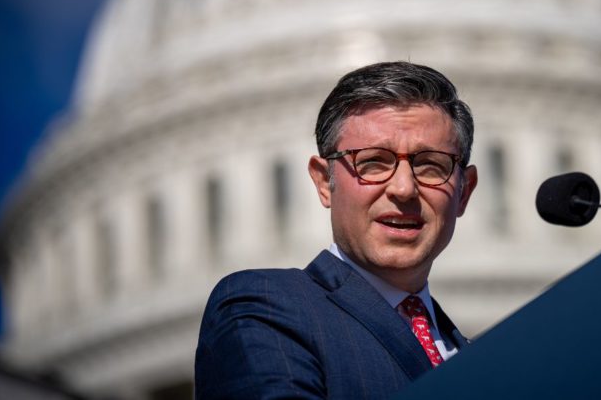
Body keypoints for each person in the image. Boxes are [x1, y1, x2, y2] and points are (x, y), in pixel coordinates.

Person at [194, 61, 479, 399]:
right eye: (373, 162)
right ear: (324, 183)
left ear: (464, 192)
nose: (404, 189)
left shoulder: (482, 361)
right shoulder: (266, 308)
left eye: (431, 165)